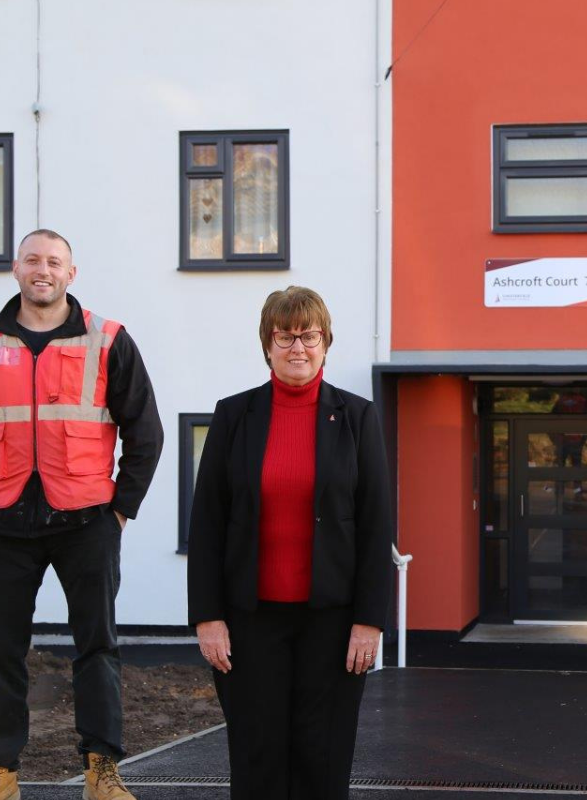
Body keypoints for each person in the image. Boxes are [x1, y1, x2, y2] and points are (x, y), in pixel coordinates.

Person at [0, 229, 164, 800]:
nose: (43, 270)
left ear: (71, 274)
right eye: (33, 260)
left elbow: (146, 432)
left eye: (54, 262)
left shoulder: (108, 340)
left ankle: (102, 771)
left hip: (87, 520)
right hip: (2, 523)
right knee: (1, 652)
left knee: (98, 647)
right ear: (16, 269)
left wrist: (121, 511)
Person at [188, 286, 393, 800]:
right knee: (257, 751)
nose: (297, 347)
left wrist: (370, 620)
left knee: (321, 753)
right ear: (267, 343)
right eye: (285, 336)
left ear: (326, 343)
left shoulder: (358, 417)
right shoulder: (234, 416)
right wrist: (207, 616)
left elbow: (375, 524)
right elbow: (208, 522)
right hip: (249, 620)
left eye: (309, 335)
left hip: (334, 620)